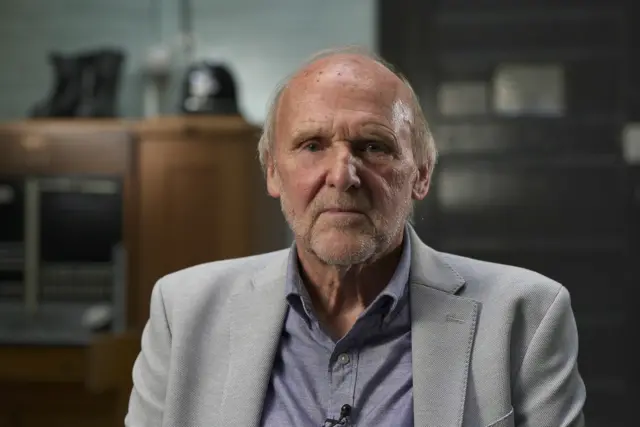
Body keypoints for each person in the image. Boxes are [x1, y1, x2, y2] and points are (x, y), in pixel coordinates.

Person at [125, 47, 586, 427]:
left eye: (373, 146)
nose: (343, 176)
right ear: (272, 172)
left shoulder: (525, 315)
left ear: (421, 174)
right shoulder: (183, 311)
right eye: (311, 146)